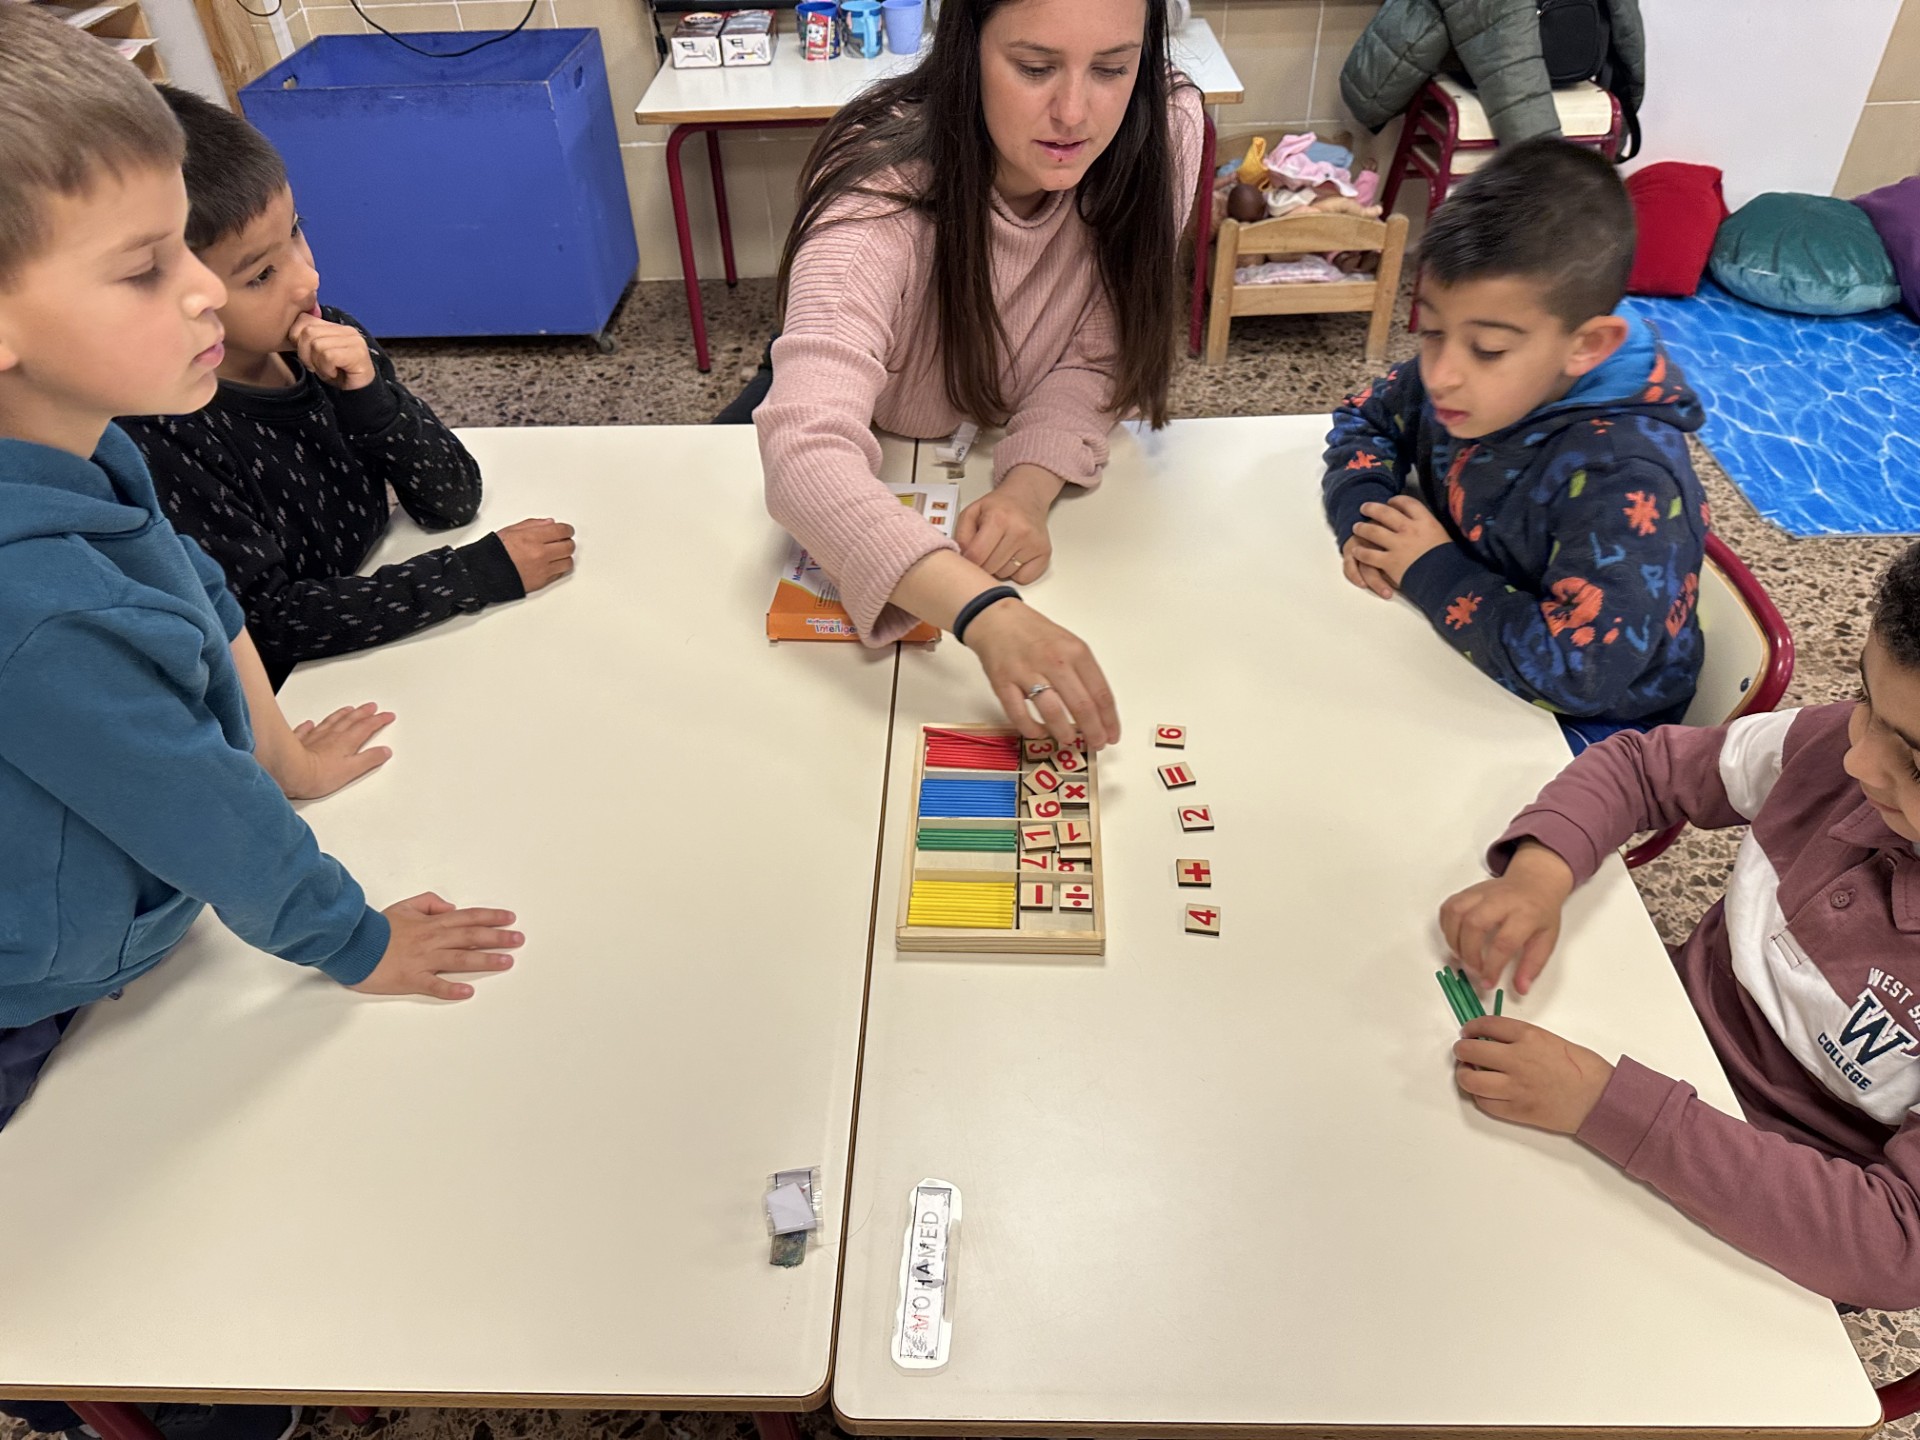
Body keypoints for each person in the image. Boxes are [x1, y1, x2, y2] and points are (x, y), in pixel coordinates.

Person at [0, 14, 523, 1435]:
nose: (197, 295)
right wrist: (355, 940)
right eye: (143, 267)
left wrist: (284, 750)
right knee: (73, 1278)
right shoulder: (35, 606)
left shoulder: (86, 437)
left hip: (98, 910)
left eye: (189, 249)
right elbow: (193, 801)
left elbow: (196, 581)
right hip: (26, 986)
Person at [1438, 539, 1920, 1310]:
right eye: (1866, 696)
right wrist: (1539, 875)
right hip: (1644, 1041)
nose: (1860, 762)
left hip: (1767, 1225)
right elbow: (1643, 769)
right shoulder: (1841, 745)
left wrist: (1610, 1107)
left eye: (1918, 764)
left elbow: (1895, 1246)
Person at [745, 0, 1205, 750]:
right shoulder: (876, 190)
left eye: (1113, 69)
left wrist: (1027, 488)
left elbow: (1097, 354)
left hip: (993, 427)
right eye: (1035, 67)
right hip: (879, 417)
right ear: (967, 48)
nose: (1074, 113)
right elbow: (805, 453)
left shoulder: (1166, 126)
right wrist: (983, 612)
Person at [117, 86, 575, 692]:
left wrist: (371, 402)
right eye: (261, 274)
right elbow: (270, 624)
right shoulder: (168, 432)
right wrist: (470, 576)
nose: (308, 278)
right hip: (303, 690)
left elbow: (451, 499)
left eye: (296, 231)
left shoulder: (328, 339)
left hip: (379, 620)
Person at [1323, 138, 1709, 753]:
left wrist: (1429, 567)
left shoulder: (1626, 478)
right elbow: (1365, 417)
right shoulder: (1466, 377)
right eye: (1432, 330)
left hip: (1588, 731)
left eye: (1489, 349)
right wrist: (1368, 519)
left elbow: (1577, 673)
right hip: (1468, 651)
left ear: (1586, 346)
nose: (1441, 373)